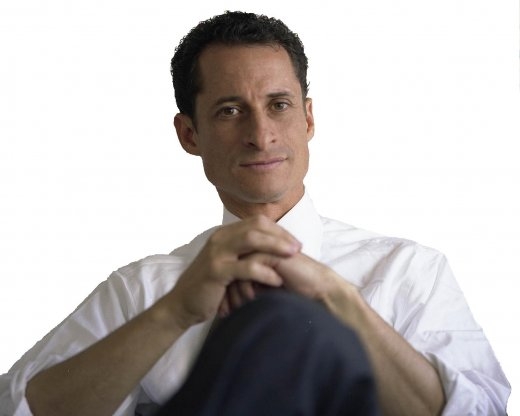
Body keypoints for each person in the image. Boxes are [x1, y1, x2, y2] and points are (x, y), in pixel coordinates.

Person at [0, 10, 510, 416]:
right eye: (230, 111)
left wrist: (335, 297)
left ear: (308, 119)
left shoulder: (409, 270)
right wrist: (174, 313)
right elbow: (14, 407)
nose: (261, 135)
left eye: (279, 105)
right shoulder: (144, 292)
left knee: (282, 321)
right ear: (189, 135)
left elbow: (481, 410)